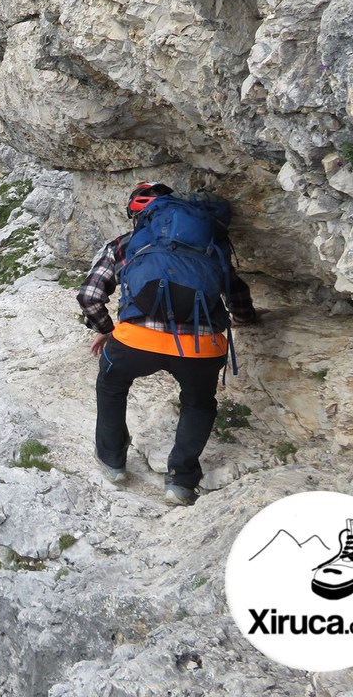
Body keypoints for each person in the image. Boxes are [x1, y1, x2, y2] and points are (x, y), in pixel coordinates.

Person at [76, 181, 258, 505]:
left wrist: (108, 329)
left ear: (139, 215)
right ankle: (180, 481)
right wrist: (245, 319)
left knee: (112, 384)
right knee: (198, 403)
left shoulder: (125, 244)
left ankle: (113, 460)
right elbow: (236, 293)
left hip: (136, 343)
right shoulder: (207, 243)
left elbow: (89, 297)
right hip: (201, 349)